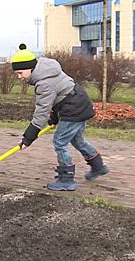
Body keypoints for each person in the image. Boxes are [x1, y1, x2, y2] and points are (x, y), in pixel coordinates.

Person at [12, 44, 108, 191]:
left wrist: (28, 137)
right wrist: (55, 118)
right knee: (77, 140)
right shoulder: (46, 69)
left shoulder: (44, 82)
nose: (19, 77)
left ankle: (66, 179)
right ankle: (98, 166)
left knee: (59, 142)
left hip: (73, 109)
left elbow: (41, 112)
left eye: (20, 73)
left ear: (30, 68)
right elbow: (59, 96)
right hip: (79, 103)